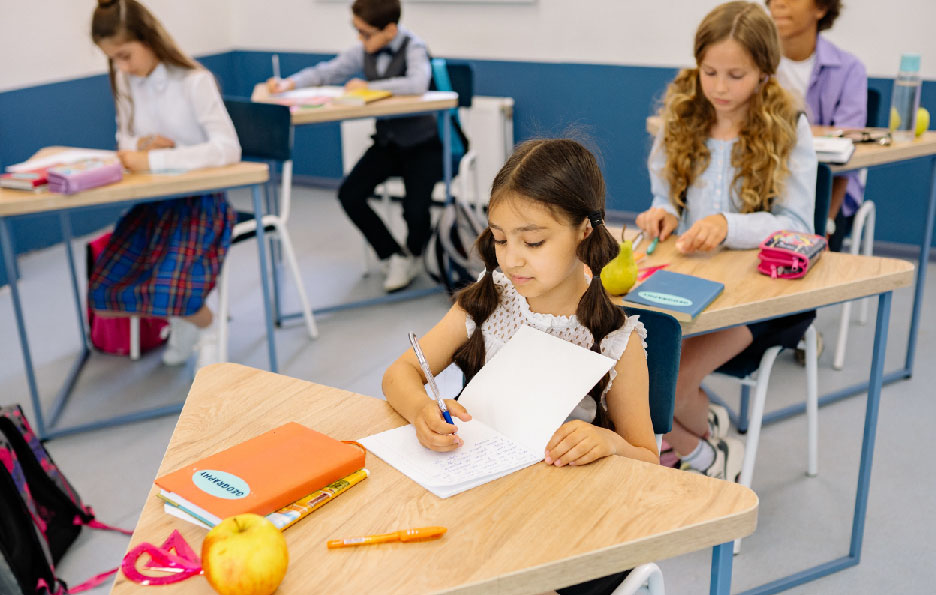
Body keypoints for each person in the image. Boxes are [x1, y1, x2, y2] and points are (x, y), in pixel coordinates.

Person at [383, 138, 658, 595]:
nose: (511, 258)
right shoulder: (490, 298)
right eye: (500, 238)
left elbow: (649, 460)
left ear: (584, 231)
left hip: (566, 525)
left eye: (532, 241)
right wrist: (421, 410)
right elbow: (399, 374)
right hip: (481, 501)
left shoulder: (616, 339)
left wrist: (609, 443)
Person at [636, 1, 817, 482]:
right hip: (694, 281)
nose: (719, 87)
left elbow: (797, 226)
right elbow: (666, 196)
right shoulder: (683, 114)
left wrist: (729, 225)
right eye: (709, 72)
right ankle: (704, 427)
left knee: (667, 383)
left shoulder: (789, 125)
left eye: (736, 75)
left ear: (764, 72)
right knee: (632, 372)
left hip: (763, 296)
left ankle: (708, 457)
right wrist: (663, 213)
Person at [89, 0, 241, 367]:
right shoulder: (126, 81)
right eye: (113, 59)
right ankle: (187, 319)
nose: (123, 67)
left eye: (125, 55)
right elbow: (125, 141)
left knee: (173, 287)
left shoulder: (194, 81)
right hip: (155, 204)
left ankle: (206, 326)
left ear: (148, 38)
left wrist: (154, 159)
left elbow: (228, 149)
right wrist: (143, 145)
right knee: (106, 291)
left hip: (201, 204)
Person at [267, 0, 442, 292]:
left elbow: (417, 84)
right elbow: (327, 71)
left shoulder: (414, 46)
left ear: (390, 30)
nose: (360, 39)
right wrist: (289, 83)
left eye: (366, 33)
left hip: (422, 144)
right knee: (349, 194)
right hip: (387, 144)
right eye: (356, 31)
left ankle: (414, 252)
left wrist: (369, 87)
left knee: (415, 210)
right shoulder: (364, 49)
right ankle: (393, 254)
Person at [768, 0, 867, 252]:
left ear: (821, 8)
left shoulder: (849, 70)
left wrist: (827, 222)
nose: (779, 3)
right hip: (765, 185)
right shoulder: (753, 64)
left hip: (828, 191)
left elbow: (847, 153)